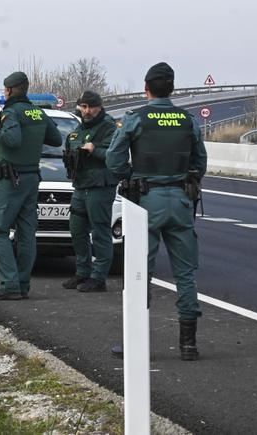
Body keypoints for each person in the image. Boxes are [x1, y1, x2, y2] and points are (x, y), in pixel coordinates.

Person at [106, 62, 206, 361]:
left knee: (139, 273)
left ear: (146, 88)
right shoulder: (188, 120)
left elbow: (113, 159)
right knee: (186, 274)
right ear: (172, 88)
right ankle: (188, 344)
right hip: (181, 201)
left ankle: (135, 342)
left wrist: (131, 176)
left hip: (145, 203)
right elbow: (200, 162)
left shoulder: (136, 119)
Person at [0, 71, 62, 301]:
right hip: (31, 178)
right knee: (26, 233)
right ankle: (22, 284)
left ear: (8, 90)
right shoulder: (38, 112)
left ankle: (9, 284)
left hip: (11, 179)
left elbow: (12, 141)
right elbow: (56, 139)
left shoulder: (11, 113)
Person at [62, 90, 118, 293]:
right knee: (77, 230)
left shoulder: (109, 127)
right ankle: (82, 271)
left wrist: (95, 150)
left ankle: (99, 277)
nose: (86, 111)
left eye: (89, 107)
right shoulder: (78, 129)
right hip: (81, 185)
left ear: (99, 107)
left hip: (99, 187)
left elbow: (115, 156)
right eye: (82, 107)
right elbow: (70, 147)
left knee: (100, 232)